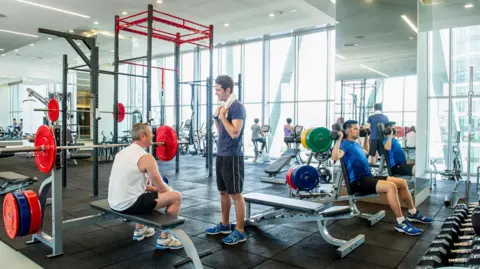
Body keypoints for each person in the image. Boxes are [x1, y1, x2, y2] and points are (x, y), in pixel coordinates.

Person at [331, 120, 432, 235]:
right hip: (358, 182)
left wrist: (366, 137)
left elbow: (367, 152)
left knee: (402, 182)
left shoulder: (355, 144)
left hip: (368, 177)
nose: (358, 130)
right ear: (347, 131)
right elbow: (335, 156)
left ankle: (413, 213)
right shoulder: (344, 145)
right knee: (391, 187)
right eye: (355, 129)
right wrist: (338, 140)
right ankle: (400, 222)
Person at [108, 123, 183, 249]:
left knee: (145, 192)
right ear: (143, 135)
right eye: (150, 133)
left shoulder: (121, 153)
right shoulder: (146, 157)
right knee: (176, 197)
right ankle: (165, 238)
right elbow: (161, 187)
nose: (153, 135)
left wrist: (155, 190)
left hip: (114, 202)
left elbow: (133, 184)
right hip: (128, 205)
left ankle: (140, 230)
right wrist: (170, 191)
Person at [207, 75, 247, 245]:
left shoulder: (237, 107)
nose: (216, 93)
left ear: (228, 90)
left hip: (232, 156)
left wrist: (222, 116)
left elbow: (235, 132)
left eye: (218, 90)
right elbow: (222, 130)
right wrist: (217, 119)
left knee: (235, 194)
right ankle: (224, 224)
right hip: (221, 153)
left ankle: (239, 230)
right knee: (223, 191)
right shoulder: (225, 107)